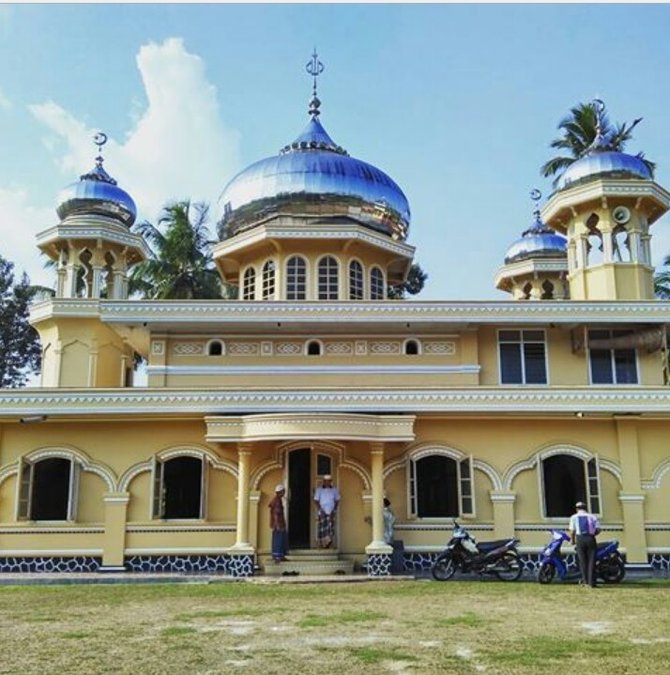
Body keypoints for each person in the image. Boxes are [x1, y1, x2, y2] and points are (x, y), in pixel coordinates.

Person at [568, 500, 600, 588]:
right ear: (585, 508)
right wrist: (592, 535)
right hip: (590, 538)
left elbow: (572, 530)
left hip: (580, 538)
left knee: (583, 561)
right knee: (592, 560)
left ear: (577, 509)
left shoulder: (574, 517)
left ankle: (585, 581)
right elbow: (598, 529)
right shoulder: (592, 517)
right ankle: (592, 582)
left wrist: (572, 540)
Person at [314, 474, 340, 548]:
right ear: (323, 482)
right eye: (325, 481)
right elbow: (316, 500)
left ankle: (328, 543)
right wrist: (320, 509)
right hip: (322, 511)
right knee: (322, 528)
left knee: (330, 527)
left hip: (331, 511)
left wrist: (334, 509)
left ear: (331, 482)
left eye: (329, 481)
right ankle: (321, 544)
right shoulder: (319, 490)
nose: (327, 483)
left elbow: (337, 500)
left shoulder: (334, 490)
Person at [268, 484, 288, 563]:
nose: (284, 493)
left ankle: (281, 555)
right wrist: (278, 525)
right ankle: (277, 556)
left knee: (281, 539)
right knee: (278, 540)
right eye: (284, 491)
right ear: (281, 492)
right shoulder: (277, 501)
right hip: (278, 524)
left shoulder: (277, 499)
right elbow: (276, 513)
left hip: (278, 524)